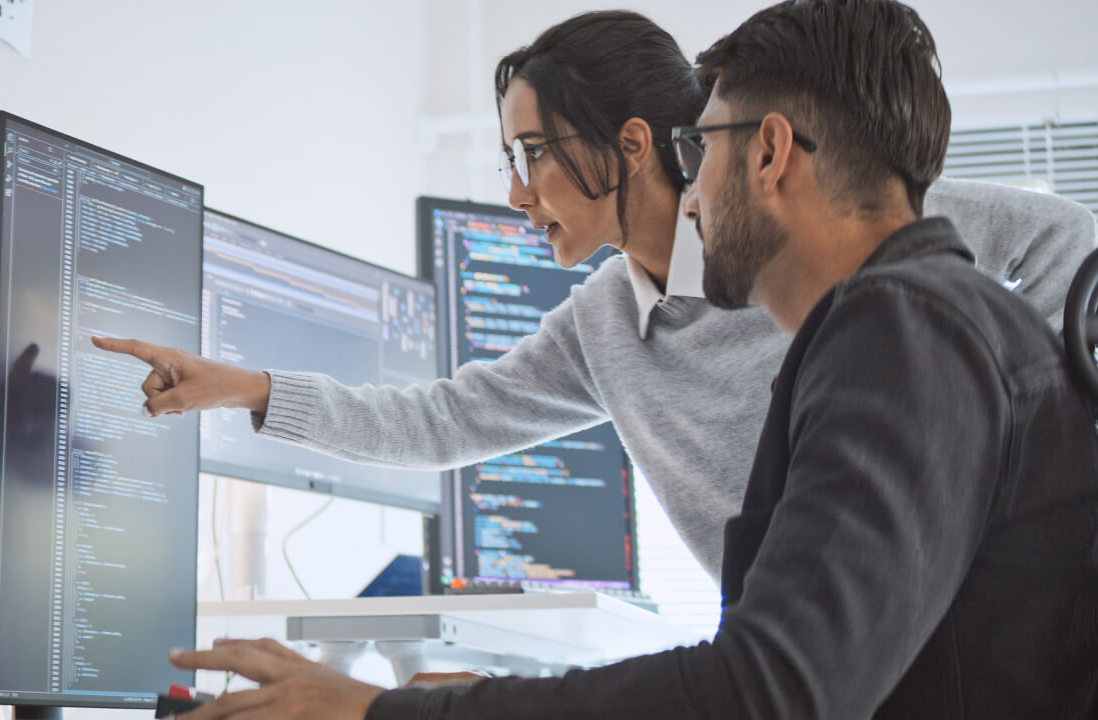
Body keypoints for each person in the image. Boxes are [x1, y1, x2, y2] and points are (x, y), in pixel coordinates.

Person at [153, 1, 1098, 717]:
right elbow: (448, 417)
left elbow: (769, 688)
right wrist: (259, 392)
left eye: (707, 146)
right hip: (842, 631)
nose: (695, 190)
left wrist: (1043, 410)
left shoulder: (907, 316)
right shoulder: (625, 320)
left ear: (767, 156)